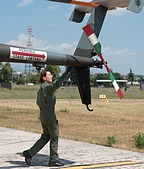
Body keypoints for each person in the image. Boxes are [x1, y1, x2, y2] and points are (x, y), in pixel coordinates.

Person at [23, 67, 71, 167]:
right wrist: (68, 72)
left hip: (43, 114)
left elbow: (38, 102)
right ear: (44, 78)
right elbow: (57, 84)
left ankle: (30, 153)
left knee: (45, 136)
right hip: (49, 114)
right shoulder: (48, 87)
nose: (51, 76)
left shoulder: (41, 88)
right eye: (49, 75)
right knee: (54, 136)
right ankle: (53, 160)